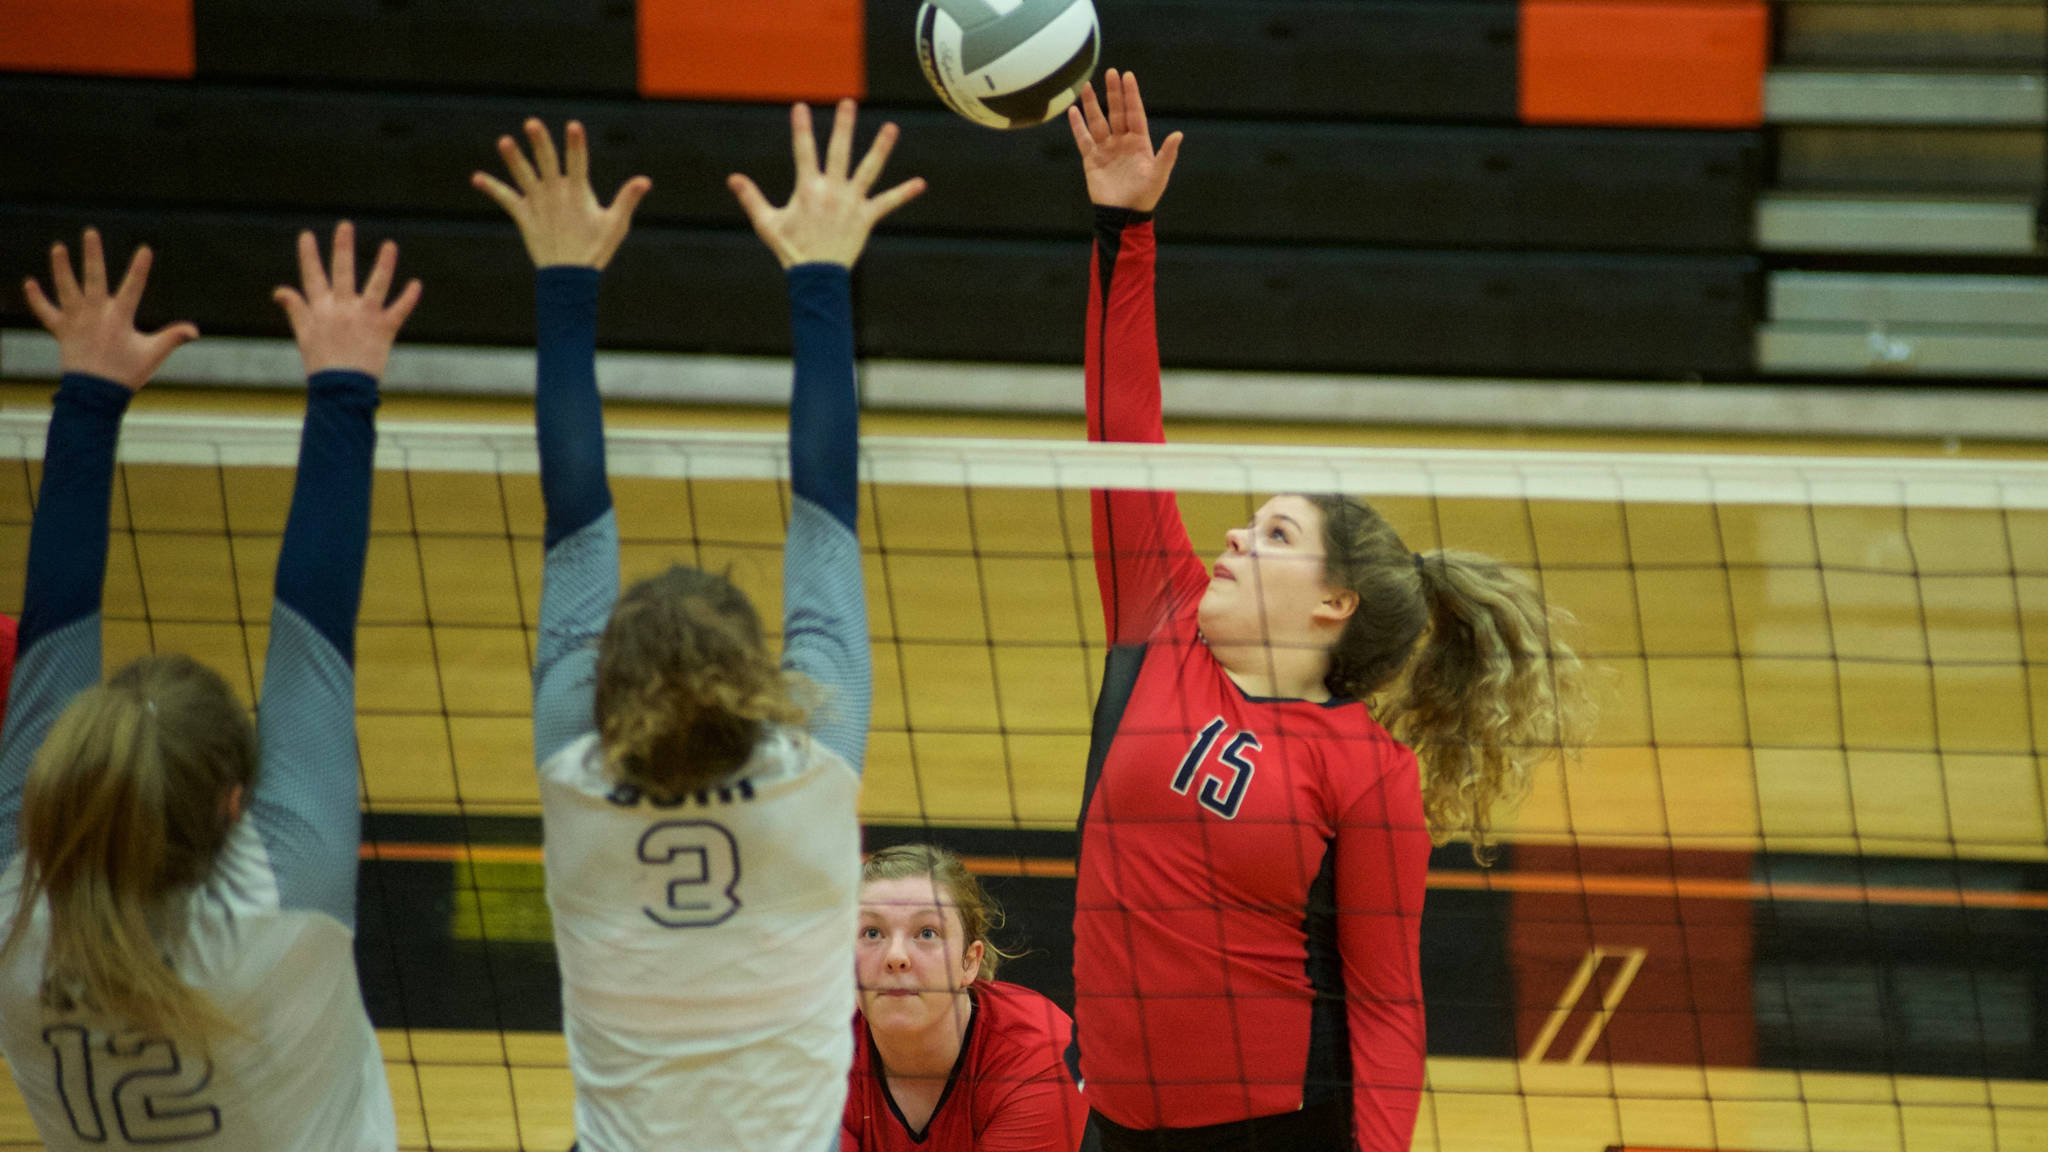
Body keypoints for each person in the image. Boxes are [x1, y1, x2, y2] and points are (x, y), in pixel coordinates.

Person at [1064, 71, 1592, 1152]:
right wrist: (1123, 230)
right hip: (1112, 1122)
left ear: (1330, 606)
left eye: (1272, 536)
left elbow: (1389, 1005)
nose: (1230, 539)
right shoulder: (1157, 621)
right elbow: (1124, 426)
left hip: (1274, 1131)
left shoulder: (1364, 771)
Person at [473, 104, 922, 1151]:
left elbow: (574, 530)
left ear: (604, 683)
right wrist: (819, 275)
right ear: (760, 677)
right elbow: (824, 516)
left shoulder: (572, 770)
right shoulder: (816, 769)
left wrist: (562, 283)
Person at [0, 223, 419, 1149]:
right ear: (237, 805)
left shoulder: (14, 907)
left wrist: (91, 397)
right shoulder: (285, 897)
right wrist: (91, 395)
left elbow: (51, 631)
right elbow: (315, 619)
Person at [843, 844, 1087, 1151]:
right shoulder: (811, 1047)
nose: (896, 956)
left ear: (969, 962)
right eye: (872, 932)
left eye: (927, 932)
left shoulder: (1041, 1054)